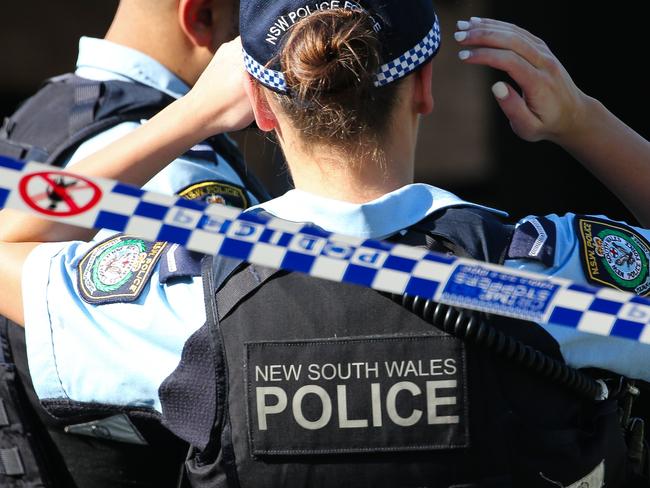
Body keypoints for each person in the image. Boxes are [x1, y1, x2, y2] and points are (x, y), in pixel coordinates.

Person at [1, 0, 650, 486]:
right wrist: (583, 121)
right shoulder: (544, 278)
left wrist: (189, 116)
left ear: (257, 103)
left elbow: (14, 236)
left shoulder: (188, 295)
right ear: (424, 90)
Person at [0, 1, 269, 487]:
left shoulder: (43, 112)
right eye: (245, 24)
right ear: (201, 17)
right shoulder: (175, 163)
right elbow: (238, 373)